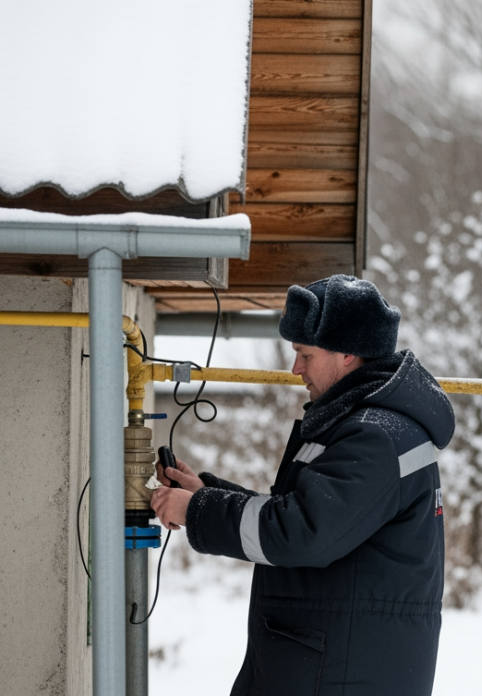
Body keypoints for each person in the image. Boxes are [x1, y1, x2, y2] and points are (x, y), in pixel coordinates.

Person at [152, 274, 455, 696]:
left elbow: (302, 533)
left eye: (305, 354)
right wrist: (205, 492)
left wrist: (196, 510)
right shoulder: (364, 423)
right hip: (328, 661)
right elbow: (304, 513)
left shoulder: (375, 436)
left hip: (340, 672)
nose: (295, 369)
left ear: (347, 353)